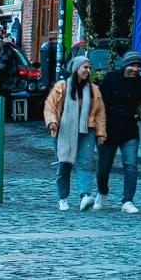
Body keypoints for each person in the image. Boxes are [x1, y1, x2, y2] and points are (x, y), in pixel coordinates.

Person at [95, 53, 141, 213]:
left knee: (131, 165)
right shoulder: (111, 78)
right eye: (132, 65)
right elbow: (98, 102)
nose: (135, 69)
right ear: (125, 65)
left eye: (138, 66)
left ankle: (127, 201)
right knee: (103, 168)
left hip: (129, 130)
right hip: (108, 130)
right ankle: (102, 192)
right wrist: (96, 127)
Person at [44, 58, 107, 212]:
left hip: (86, 130)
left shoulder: (93, 89)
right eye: (85, 67)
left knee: (85, 163)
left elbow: (100, 113)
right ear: (76, 68)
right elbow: (50, 106)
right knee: (64, 165)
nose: (88, 70)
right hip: (64, 131)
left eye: (89, 68)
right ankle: (63, 198)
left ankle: (85, 196)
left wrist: (101, 133)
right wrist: (52, 121)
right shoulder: (62, 86)